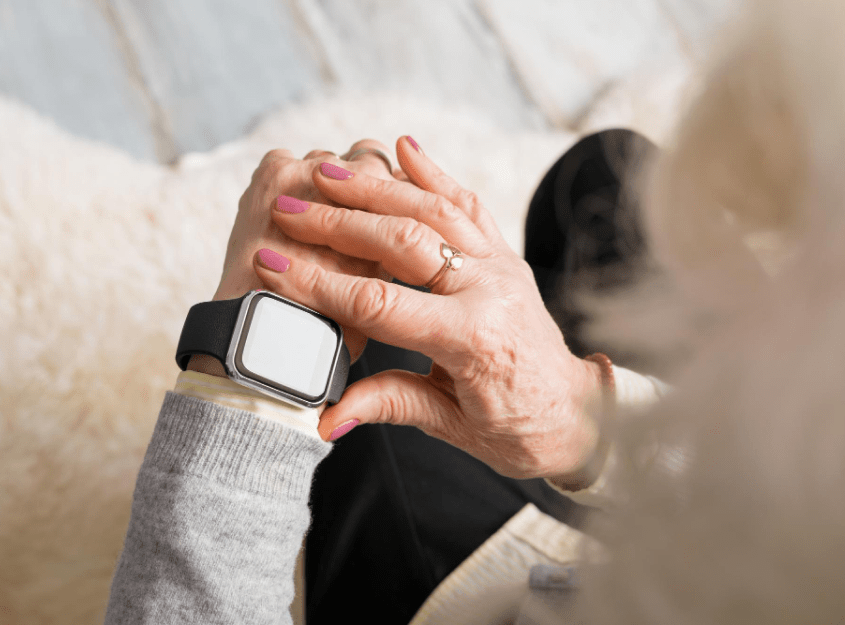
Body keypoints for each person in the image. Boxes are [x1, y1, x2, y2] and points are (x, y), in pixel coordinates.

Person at [102, 129, 664, 624]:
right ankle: (536, 319)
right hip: (665, 552)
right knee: (615, 171)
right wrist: (583, 416)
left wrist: (255, 388)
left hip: (479, 590)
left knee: (370, 320)